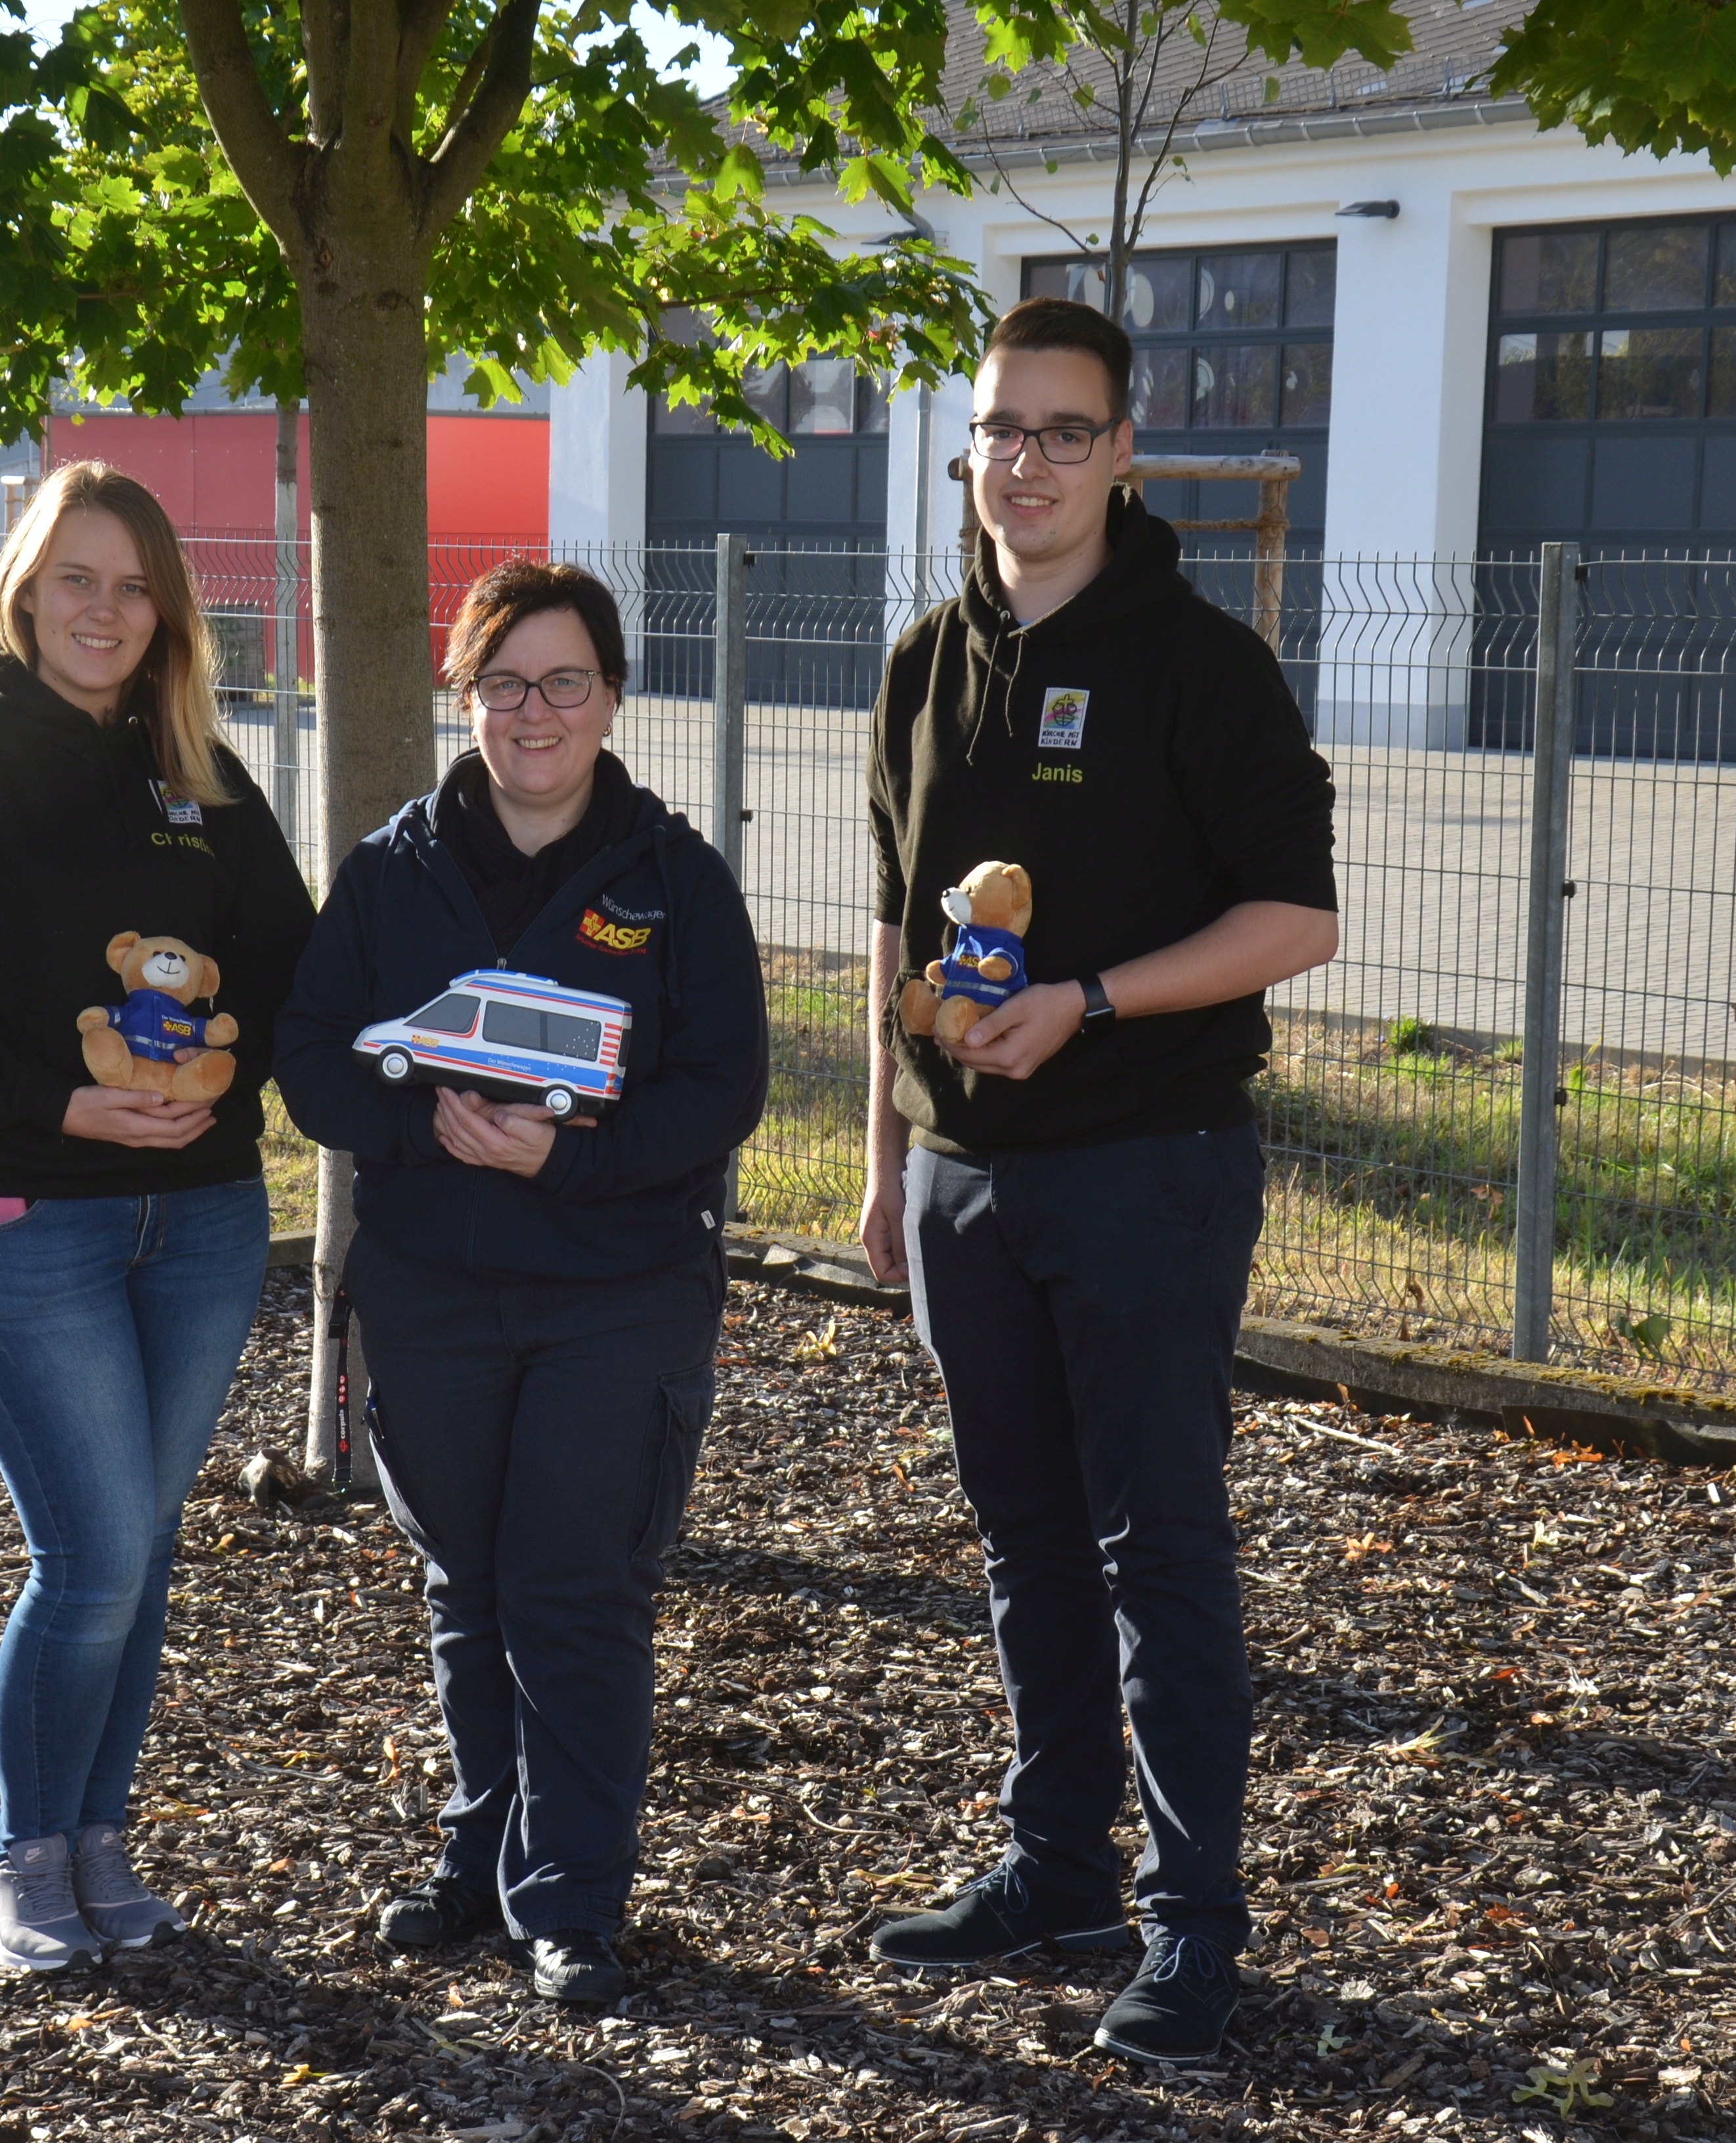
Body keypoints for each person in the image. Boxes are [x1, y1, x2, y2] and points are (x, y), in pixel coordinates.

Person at [856, 297, 1339, 2064]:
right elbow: (902, 929)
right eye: (1002, 430)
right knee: (1026, 1546)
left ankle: (1194, 1930)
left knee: (1160, 1554)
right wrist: (886, 1163)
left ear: (1124, 453)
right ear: (969, 451)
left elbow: (1301, 920)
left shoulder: (1202, 666)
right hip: (966, 1190)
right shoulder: (922, 662)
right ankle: (1055, 1869)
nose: (1030, 463)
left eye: (1068, 431)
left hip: (1148, 1170)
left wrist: (1092, 1002)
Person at [274, 559, 766, 2006]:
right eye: (501, 683)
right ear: (464, 696)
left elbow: (721, 1092)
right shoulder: (389, 871)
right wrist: (415, 1119)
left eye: (562, 681)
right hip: (431, 1291)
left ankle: (570, 1900)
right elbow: (311, 1057)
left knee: (574, 1592)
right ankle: (478, 1861)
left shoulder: (676, 880)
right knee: (466, 1588)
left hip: (616, 1295)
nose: (531, 712)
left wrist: (564, 1160)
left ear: (610, 696)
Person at [0, 460, 315, 1972]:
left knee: (142, 1546)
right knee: (96, 1558)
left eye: (132, 584)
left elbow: (296, 974)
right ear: (26, 591)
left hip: (202, 1222)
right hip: (27, 1216)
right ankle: (23, 1858)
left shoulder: (210, 786)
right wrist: (67, 1104)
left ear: (168, 609)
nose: (103, 610)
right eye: (75, 579)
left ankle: (99, 1840)